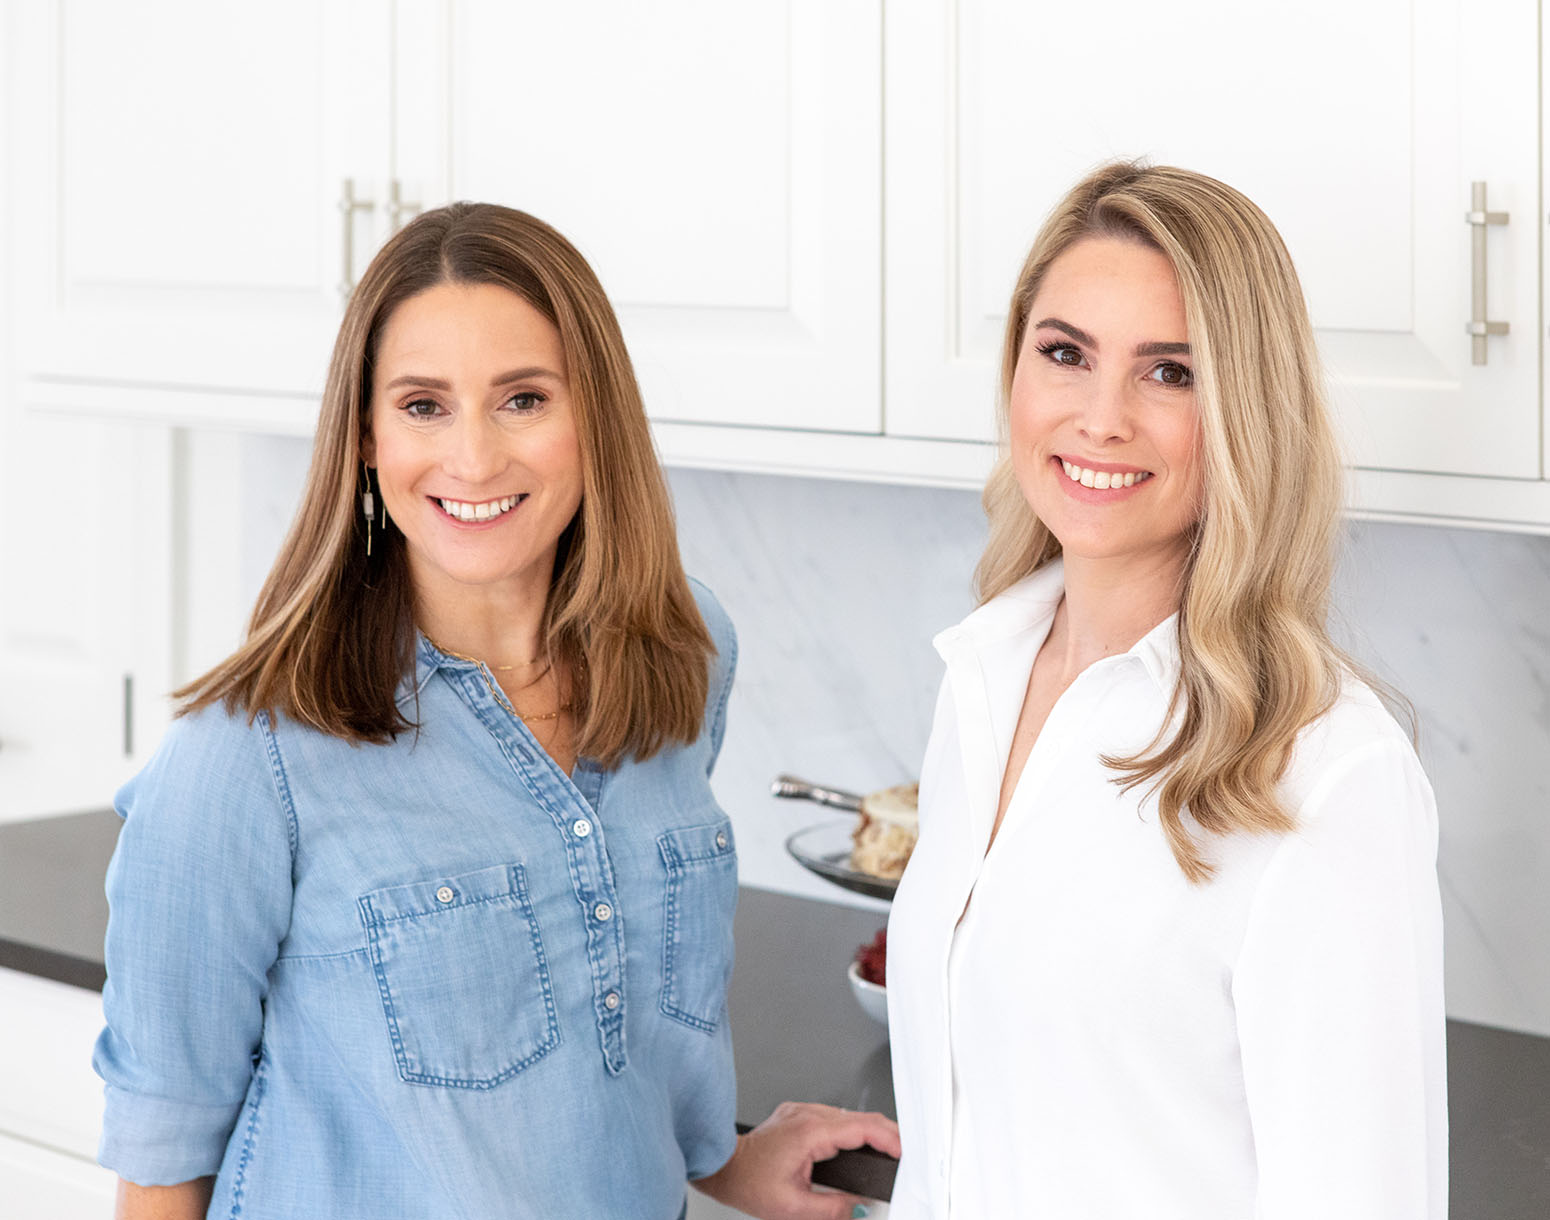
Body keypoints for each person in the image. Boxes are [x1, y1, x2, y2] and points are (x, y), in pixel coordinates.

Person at [94, 202, 897, 1220]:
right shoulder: (247, 750)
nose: (473, 458)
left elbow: (617, 1025)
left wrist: (714, 1158)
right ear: (365, 439)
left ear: (592, 417)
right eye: (423, 405)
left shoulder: (685, 649)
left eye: (521, 398)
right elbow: (161, 1166)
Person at [885, 163, 1446, 1219]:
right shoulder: (982, 678)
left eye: (1168, 373)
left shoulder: (1326, 771)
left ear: (1246, 408)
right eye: (1064, 354)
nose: (1100, 418)